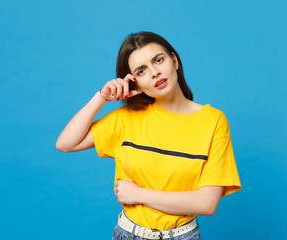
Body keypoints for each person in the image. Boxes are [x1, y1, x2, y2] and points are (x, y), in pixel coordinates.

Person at [56, 31, 241, 240]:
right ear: (134, 83)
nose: (154, 73)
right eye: (141, 71)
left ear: (175, 61)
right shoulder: (127, 118)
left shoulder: (213, 121)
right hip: (128, 234)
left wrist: (138, 194)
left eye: (158, 60)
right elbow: (65, 143)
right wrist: (101, 98)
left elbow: (207, 204)